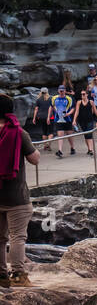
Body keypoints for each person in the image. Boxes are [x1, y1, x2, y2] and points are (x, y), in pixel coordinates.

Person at [0, 95, 39, 289]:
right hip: (16, 196)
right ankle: (18, 274)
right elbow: (34, 159)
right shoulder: (18, 133)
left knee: (0, 238)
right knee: (17, 237)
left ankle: (1, 275)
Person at [72, 89, 97, 156]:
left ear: (87, 94)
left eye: (84, 94)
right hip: (82, 121)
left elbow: (95, 110)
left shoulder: (91, 102)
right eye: (81, 94)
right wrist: (74, 120)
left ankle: (91, 150)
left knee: (89, 135)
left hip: (90, 120)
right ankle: (89, 149)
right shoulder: (79, 102)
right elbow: (77, 111)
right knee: (86, 136)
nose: (82, 95)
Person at [50, 86, 75, 156]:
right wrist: (49, 116)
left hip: (68, 119)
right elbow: (52, 107)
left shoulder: (69, 98)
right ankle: (60, 151)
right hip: (58, 119)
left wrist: (68, 114)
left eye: (62, 91)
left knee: (69, 135)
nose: (61, 92)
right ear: (58, 91)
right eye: (60, 91)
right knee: (60, 135)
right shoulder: (54, 98)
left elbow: (73, 108)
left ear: (65, 91)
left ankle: (72, 147)